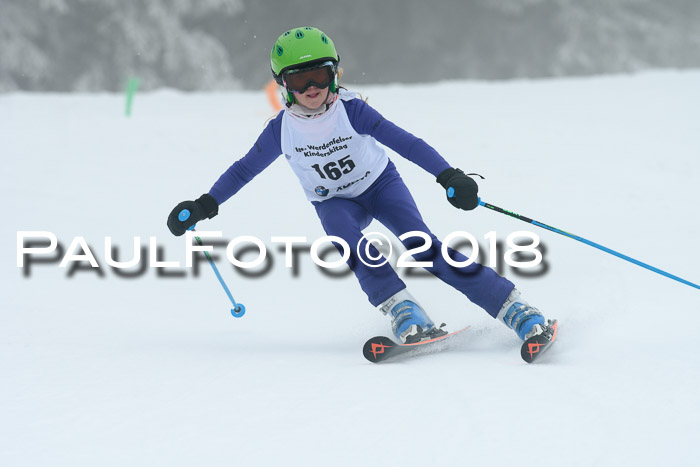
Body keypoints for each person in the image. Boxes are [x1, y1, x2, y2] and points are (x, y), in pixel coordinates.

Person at [167, 26, 554, 345]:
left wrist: (448, 175)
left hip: (381, 187)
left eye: (320, 74)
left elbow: (405, 141)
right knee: (343, 233)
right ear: (282, 84)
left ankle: (514, 308)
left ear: (335, 73)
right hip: (336, 201)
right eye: (300, 79)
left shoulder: (351, 111)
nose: (312, 87)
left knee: (423, 247)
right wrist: (204, 204)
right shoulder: (280, 131)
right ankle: (402, 309)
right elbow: (243, 170)